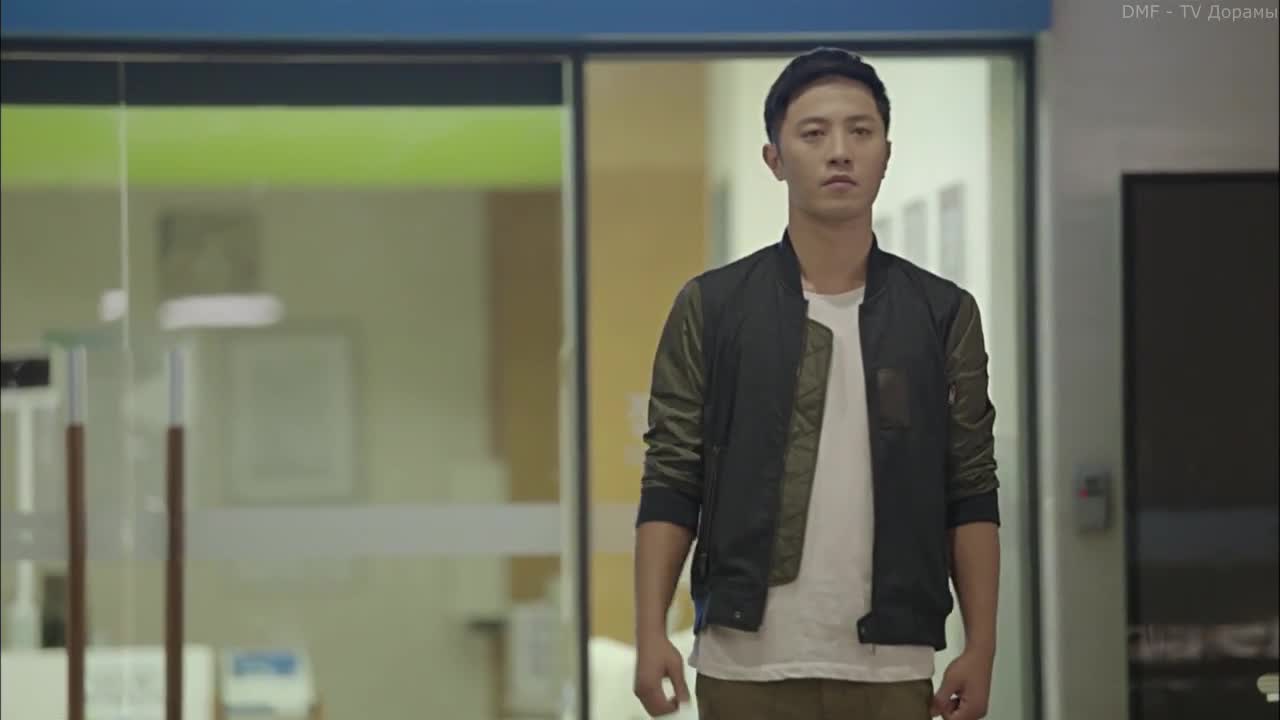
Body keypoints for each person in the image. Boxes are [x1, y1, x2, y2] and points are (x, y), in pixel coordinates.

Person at [631, 48, 1001, 720]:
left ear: (886, 154)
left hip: (893, 662)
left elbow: (971, 487)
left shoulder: (941, 313)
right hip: (744, 662)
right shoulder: (714, 307)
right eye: (813, 133)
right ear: (774, 158)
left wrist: (982, 645)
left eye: (861, 132)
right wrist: (650, 629)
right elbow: (672, 474)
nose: (840, 152)